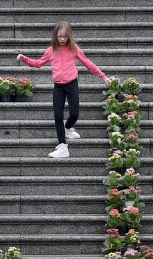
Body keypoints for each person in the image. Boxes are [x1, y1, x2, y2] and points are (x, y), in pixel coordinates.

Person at [17, 21, 111, 158]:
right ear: (55, 36)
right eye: (59, 36)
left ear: (69, 36)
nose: (62, 39)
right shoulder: (50, 51)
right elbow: (38, 64)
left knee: (74, 114)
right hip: (58, 87)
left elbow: (88, 63)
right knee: (58, 116)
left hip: (72, 84)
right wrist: (24, 59)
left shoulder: (74, 48)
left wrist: (103, 76)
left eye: (65, 37)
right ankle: (62, 146)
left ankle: (68, 128)